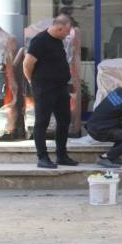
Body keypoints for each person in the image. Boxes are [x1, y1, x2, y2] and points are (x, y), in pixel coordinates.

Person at [23, 14, 78, 169]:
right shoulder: (40, 41)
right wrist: (32, 82)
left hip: (60, 88)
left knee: (64, 121)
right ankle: (42, 157)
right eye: (66, 31)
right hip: (44, 89)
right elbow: (27, 64)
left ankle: (61, 155)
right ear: (59, 28)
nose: (68, 34)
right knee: (42, 122)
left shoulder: (58, 41)